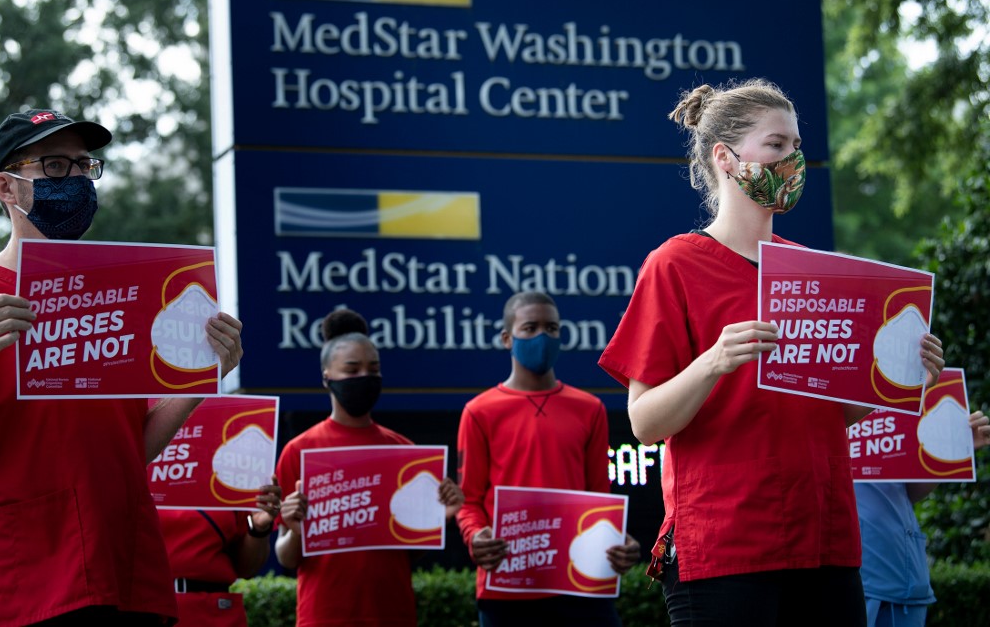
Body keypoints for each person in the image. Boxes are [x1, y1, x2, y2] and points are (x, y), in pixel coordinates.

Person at [596, 79, 945, 626]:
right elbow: (643, 422)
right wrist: (714, 361)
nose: (792, 160)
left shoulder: (814, 271)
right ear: (725, 158)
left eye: (797, 146)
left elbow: (832, 414)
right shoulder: (674, 264)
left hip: (826, 539)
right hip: (727, 544)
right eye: (776, 144)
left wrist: (900, 375)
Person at [0, 109, 244, 626]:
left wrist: (202, 379)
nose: (75, 179)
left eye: (83, 165)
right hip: (25, 577)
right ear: (6, 188)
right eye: (55, 166)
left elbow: (128, 450)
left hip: (126, 568)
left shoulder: (123, 294)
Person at [456, 291, 642, 627]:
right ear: (507, 338)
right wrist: (476, 535)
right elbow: (468, 499)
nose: (543, 336)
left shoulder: (590, 409)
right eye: (530, 328)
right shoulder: (479, 412)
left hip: (580, 583)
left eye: (551, 328)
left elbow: (599, 497)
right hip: (507, 586)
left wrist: (616, 538)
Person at [274, 308, 463, 627]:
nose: (365, 377)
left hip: (393, 613)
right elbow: (286, 557)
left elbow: (405, 553)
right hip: (324, 615)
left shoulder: (404, 451)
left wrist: (436, 521)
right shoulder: (300, 451)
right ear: (327, 377)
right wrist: (295, 529)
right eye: (352, 369)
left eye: (373, 369)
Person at [856, 410, 990, 627]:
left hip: (901, 576)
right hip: (849, 579)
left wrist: (955, 450)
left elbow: (907, 492)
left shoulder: (892, 402)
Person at [157, 475, 283, 626]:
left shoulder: (232, 471)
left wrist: (258, 529)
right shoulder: (138, 467)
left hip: (214, 613)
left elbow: (247, 569)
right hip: (148, 608)